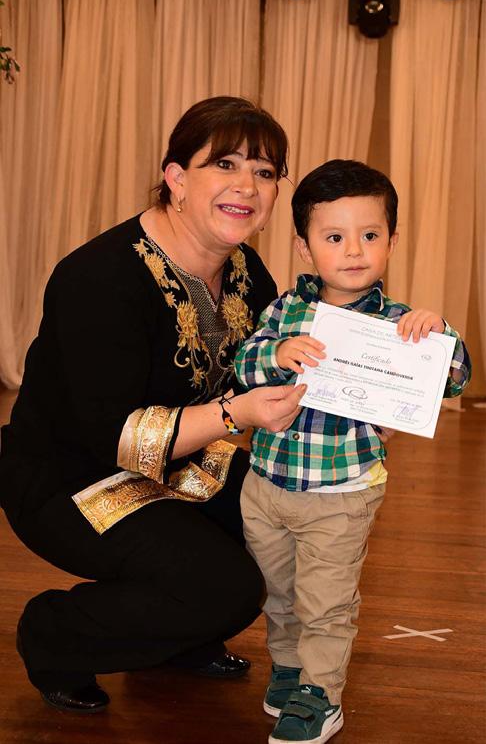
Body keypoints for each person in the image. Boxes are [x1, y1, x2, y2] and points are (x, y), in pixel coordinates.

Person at [0, 96, 308, 713]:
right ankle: (54, 636)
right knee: (222, 584)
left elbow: (267, 368)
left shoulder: (247, 272)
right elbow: (111, 436)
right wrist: (237, 415)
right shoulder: (99, 277)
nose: (247, 185)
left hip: (183, 461)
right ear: (177, 178)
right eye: (225, 164)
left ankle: (177, 638)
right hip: (72, 478)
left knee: (288, 533)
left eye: (265, 171)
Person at [234, 159, 471, 744]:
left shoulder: (401, 324)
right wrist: (277, 353)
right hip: (266, 484)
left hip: (341, 493)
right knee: (280, 593)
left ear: (392, 240)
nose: (354, 251)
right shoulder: (284, 311)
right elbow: (243, 365)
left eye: (370, 235)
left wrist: (441, 334)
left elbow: (454, 379)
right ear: (305, 246)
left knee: (326, 601)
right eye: (335, 237)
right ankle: (288, 668)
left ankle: (321, 694)